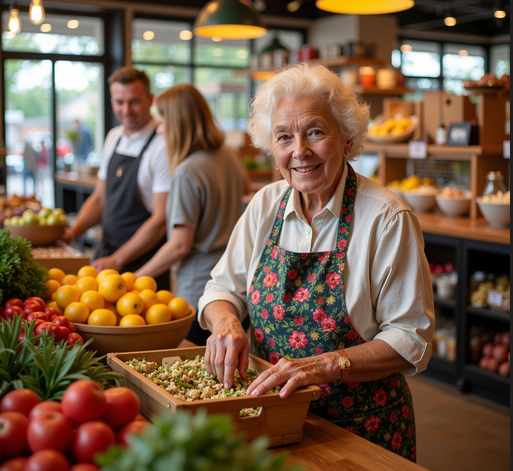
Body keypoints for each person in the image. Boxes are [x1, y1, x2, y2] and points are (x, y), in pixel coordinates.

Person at [197, 63, 434, 460]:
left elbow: (411, 338)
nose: (299, 151)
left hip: (359, 431)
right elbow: (222, 288)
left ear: (347, 138)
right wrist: (225, 322)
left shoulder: (386, 218)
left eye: (316, 132)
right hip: (269, 417)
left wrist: (327, 364)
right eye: (284, 137)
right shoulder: (265, 205)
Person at [135, 84, 246, 345]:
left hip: (199, 289)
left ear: (178, 124)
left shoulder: (186, 171)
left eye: (161, 122)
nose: (159, 130)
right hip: (233, 284)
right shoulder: (228, 155)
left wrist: (136, 278)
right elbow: (245, 190)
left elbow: (179, 245)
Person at [63, 67, 171, 290]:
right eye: (119, 102)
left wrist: (119, 259)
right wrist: (72, 232)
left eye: (134, 102)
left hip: (144, 266)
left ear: (150, 99)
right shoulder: (114, 137)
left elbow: (161, 220)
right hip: (107, 256)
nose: (126, 110)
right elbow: (100, 199)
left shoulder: (163, 145)